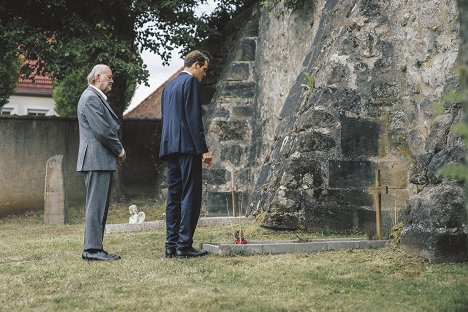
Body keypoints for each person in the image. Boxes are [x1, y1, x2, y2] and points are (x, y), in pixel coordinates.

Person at [159, 50, 213, 258]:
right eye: (204, 70)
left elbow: (166, 120)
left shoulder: (169, 86)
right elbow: (193, 119)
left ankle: (170, 245)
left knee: (174, 196)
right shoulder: (190, 83)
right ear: (196, 65)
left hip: (169, 148)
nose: (204, 75)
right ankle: (184, 245)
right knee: (190, 195)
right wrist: (203, 150)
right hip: (187, 148)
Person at [77, 64, 126, 261]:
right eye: (109, 76)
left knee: (99, 206)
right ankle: (91, 250)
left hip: (99, 160)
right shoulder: (90, 98)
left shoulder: (95, 97)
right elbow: (103, 131)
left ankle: (96, 247)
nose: (112, 80)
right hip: (95, 160)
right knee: (95, 206)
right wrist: (120, 150)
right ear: (97, 77)